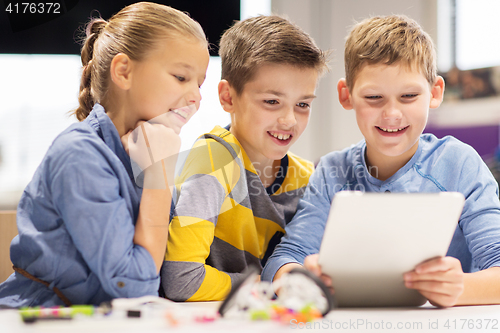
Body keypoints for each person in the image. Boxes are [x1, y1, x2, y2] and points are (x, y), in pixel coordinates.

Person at [261, 15, 500, 307]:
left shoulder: (459, 164)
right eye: (374, 97)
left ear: (435, 93)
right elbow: (283, 260)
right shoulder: (332, 171)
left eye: (409, 96)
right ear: (346, 95)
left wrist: (461, 287)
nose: (391, 114)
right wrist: (302, 280)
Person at [0, 2, 209, 307]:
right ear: (123, 71)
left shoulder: (143, 153)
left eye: (200, 83)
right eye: (181, 77)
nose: (196, 96)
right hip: (40, 319)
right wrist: (160, 176)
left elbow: (169, 269)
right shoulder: (79, 155)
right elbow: (133, 287)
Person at [161, 15, 330, 302]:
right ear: (228, 97)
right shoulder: (213, 159)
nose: (289, 120)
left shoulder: (308, 177)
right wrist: (271, 285)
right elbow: (182, 279)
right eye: (271, 102)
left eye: (302, 104)